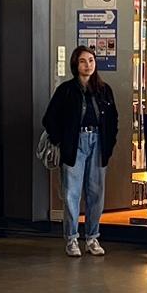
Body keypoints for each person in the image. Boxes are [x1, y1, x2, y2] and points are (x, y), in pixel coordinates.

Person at [42, 46, 118, 257]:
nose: (88, 65)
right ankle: (72, 239)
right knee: (71, 194)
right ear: (75, 65)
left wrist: (109, 144)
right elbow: (49, 119)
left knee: (96, 193)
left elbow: (113, 119)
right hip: (75, 144)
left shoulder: (104, 90)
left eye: (91, 60)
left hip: (98, 143)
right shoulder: (66, 90)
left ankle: (92, 238)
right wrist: (62, 140)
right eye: (83, 61)